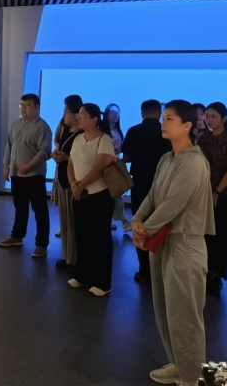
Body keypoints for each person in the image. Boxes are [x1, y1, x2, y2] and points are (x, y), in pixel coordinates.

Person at [132, 100, 214, 386]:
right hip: (163, 242)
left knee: (185, 316)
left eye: (169, 119)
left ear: (187, 125)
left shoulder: (193, 161)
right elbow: (153, 195)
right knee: (166, 311)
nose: (163, 123)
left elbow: (173, 204)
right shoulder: (167, 158)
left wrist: (144, 230)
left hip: (185, 244)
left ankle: (192, 377)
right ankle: (179, 364)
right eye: (164, 118)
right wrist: (137, 219)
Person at [67, 104, 116, 297]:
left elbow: (100, 167)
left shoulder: (104, 140)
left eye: (83, 115)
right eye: (78, 115)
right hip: (79, 195)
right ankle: (83, 275)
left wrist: (81, 185)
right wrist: (73, 183)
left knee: (99, 239)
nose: (78, 118)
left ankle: (102, 282)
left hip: (99, 196)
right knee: (81, 236)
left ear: (95, 118)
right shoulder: (78, 138)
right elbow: (71, 163)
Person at [120, 99, 172, 284]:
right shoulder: (167, 131)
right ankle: (161, 269)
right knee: (162, 224)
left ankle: (144, 269)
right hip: (164, 185)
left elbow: (126, 157)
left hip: (140, 184)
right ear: (159, 113)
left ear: (142, 113)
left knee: (140, 223)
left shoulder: (133, 131)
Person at [0, 94, 53, 256]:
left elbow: (45, 151)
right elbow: (9, 146)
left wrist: (29, 165)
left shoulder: (42, 127)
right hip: (17, 175)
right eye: (21, 105)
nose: (23, 108)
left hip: (34, 175)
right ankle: (17, 236)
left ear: (37, 107)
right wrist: (6, 166)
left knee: (39, 209)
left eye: (28, 105)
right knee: (20, 207)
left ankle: (41, 244)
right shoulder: (15, 124)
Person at [198, 102, 227, 296]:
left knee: (221, 234)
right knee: (204, 235)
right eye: (207, 115)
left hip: (225, 195)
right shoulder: (203, 139)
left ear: (224, 119)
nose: (208, 119)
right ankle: (205, 270)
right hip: (203, 194)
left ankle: (218, 273)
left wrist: (217, 191)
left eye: (213, 116)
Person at [51, 95, 84, 270]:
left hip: (75, 182)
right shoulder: (65, 130)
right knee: (65, 222)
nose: (64, 115)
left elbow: (84, 158)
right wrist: (56, 155)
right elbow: (60, 149)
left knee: (73, 222)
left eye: (66, 112)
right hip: (63, 180)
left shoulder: (82, 134)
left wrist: (65, 158)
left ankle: (75, 258)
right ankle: (68, 256)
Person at [105, 103, 131, 232]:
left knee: (118, 193)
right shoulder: (102, 130)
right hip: (105, 165)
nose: (115, 115)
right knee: (109, 195)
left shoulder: (117, 130)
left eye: (117, 113)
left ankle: (122, 220)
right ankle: (119, 221)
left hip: (116, 164)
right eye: (112, 112)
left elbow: (120, 148)